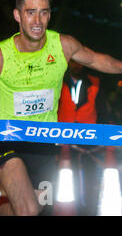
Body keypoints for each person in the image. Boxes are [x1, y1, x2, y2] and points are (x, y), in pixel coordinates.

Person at [0, 0, 122, 216]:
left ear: (49, 15)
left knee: (33, 208)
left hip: (43, 142)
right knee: (27, 210)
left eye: (44, 12)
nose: (37, 20)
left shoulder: (63, 45)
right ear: (17, 16)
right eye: (30, 12)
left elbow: (97, 60)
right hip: (6, 139)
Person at [57, 60, 105, 215]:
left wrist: (103, 136)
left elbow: (103, 109)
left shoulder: (94, 82)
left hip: (88, 139)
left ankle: (89, 209)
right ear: (68, 63)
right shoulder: (57, 80)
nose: (77, 66)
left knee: (91, 178)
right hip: (63, 139)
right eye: (73, 63)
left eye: (79, 63)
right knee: (61, 178)